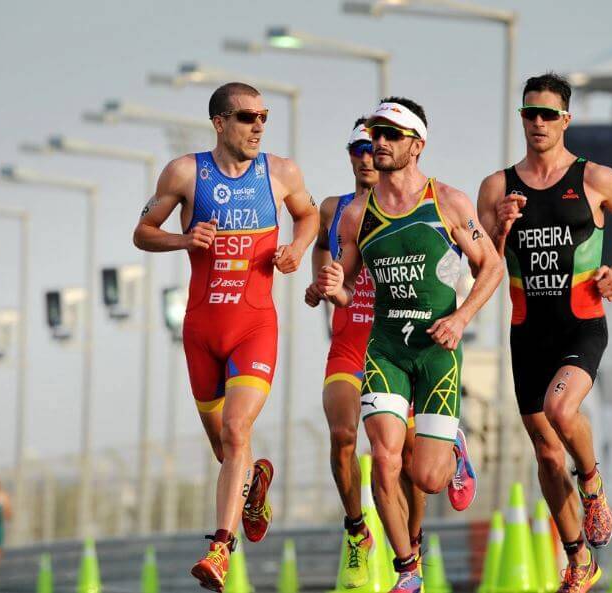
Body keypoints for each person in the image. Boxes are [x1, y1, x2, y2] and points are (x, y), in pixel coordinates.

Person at [477, 72, 612, 593]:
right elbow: (479, 259)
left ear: (566, 120)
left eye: (548, 114)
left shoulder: (595, 178)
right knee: (546, 454)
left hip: (581, 324)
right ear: (522, 118)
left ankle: (594, 481)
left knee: (562, 412)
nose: (538, 122)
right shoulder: (497, 187)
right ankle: (579, 558)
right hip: (526, 331)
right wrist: (500, 227)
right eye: (530, 113)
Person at [133, 82, 318, 591]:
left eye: (263, 116)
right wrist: (183, 238)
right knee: (226, 448)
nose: (258, 126)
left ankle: (219, 548)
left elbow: (309, 215)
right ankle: (256, 481)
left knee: (236, 430)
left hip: (254, 327)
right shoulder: (185, 173)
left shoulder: (280, 172)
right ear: (219, 123)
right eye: (246, 117)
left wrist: (297, 250)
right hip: (202, 331)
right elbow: (143, 232)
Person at [319, 97, 503, 593]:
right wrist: (330, 285)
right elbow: (349, 288)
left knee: (427, 479)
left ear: (416, 146)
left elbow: (493, 266)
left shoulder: (448, 201)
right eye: (375, 134)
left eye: (390, 135)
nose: (378, 143)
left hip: (436, 351)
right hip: (385, 351)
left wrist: (462, 318)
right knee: (382, 456)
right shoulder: (358, 214)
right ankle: (407, 570)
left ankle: (452, 449)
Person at [304, 118, 426, 588]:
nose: (367, 153)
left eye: (374, 144)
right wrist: (323, 281)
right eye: (358, 146)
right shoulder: (335, 209)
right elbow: (319, 245)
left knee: (410, 459)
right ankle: (357, 531)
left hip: (395, 345)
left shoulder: (409, 207)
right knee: (342, 439)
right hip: (350, 343)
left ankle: (412, 545)